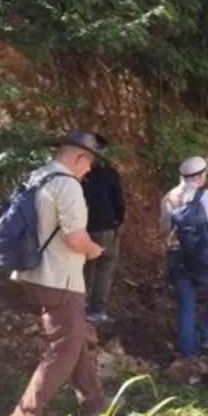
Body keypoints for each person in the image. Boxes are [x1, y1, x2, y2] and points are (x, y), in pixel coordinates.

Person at [8, 130, 107, 416]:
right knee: (65, 347)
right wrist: (94, 250)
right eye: (89, 163)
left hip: (32, 271)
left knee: (74, 340)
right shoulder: (68, 185)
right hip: (60, 278)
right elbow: (75, 238)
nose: (89, 170)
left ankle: (94, 406)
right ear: (80, 158)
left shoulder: (37, 177)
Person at [160, 157, 208, 360]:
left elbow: (164, 229)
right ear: (200, 176)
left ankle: (188, 352)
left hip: (178, 257)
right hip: (201, 257)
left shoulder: (168, 197)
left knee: (186, 304)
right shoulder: (204, 195)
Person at [81, 134, 125, 325]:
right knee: (104, 268)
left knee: (85, 269)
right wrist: (117, 221)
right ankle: (96, 310)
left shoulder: (78, 175)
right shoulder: (109, 173)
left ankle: (78, 308)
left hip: (83, 228)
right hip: (106, 227)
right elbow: (118, 202)